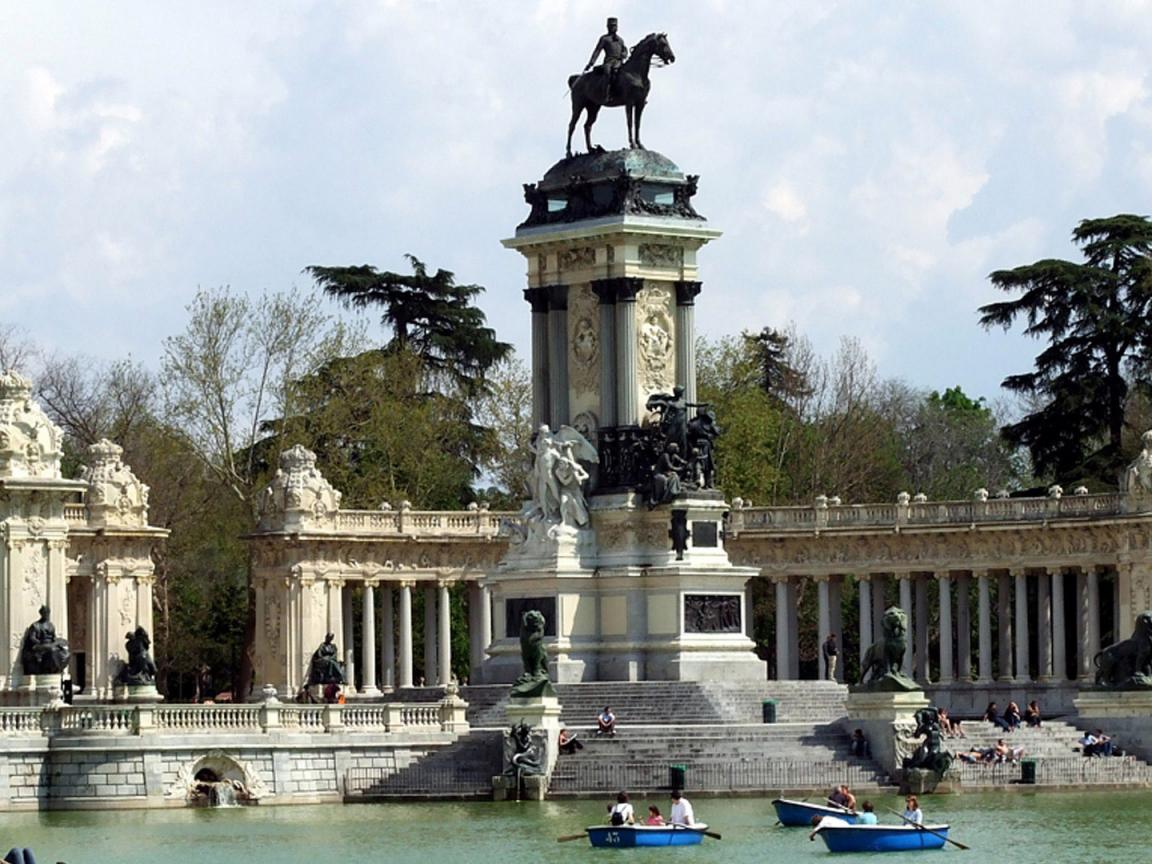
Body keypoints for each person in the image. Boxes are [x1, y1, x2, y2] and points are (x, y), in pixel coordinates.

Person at [584, 16, 629, 102]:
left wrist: (624, 54)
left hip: (619, 62)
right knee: (608, 73)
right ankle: (605, 94)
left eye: (615, 26)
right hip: (609, 62)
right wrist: (591, 63)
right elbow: (597, 51)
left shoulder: (620, 40)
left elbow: (624, 50)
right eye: (611, 26)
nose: (613, 27)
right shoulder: (604, 39)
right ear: (608, 27)